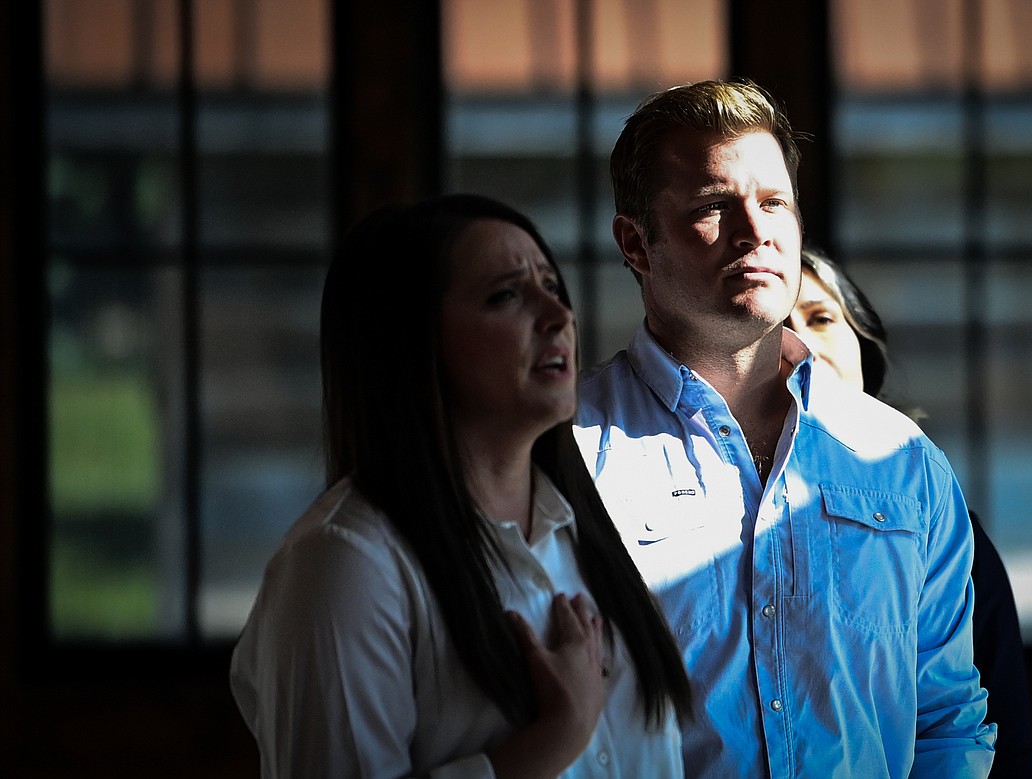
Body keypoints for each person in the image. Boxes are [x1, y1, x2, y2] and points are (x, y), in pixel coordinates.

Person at [574, 79, 996, 777]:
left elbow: (946, 720)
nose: (755, 230)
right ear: (636, 243)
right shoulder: (571, 454)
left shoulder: (901, 460)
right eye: (714, 206)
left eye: (774, 203)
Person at [230, 193, 691, 778]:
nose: (558, 316)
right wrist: (554, 738)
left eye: (552, 286)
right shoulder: (347, 562)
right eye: (506, 295)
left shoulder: (587, 529)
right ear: (409, 341)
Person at [787, 246, 1032, 778]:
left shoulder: (941, 529)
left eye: (821, 317)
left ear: (864, 349)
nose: (802, 343)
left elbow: (1002, 741)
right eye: (777, 328)